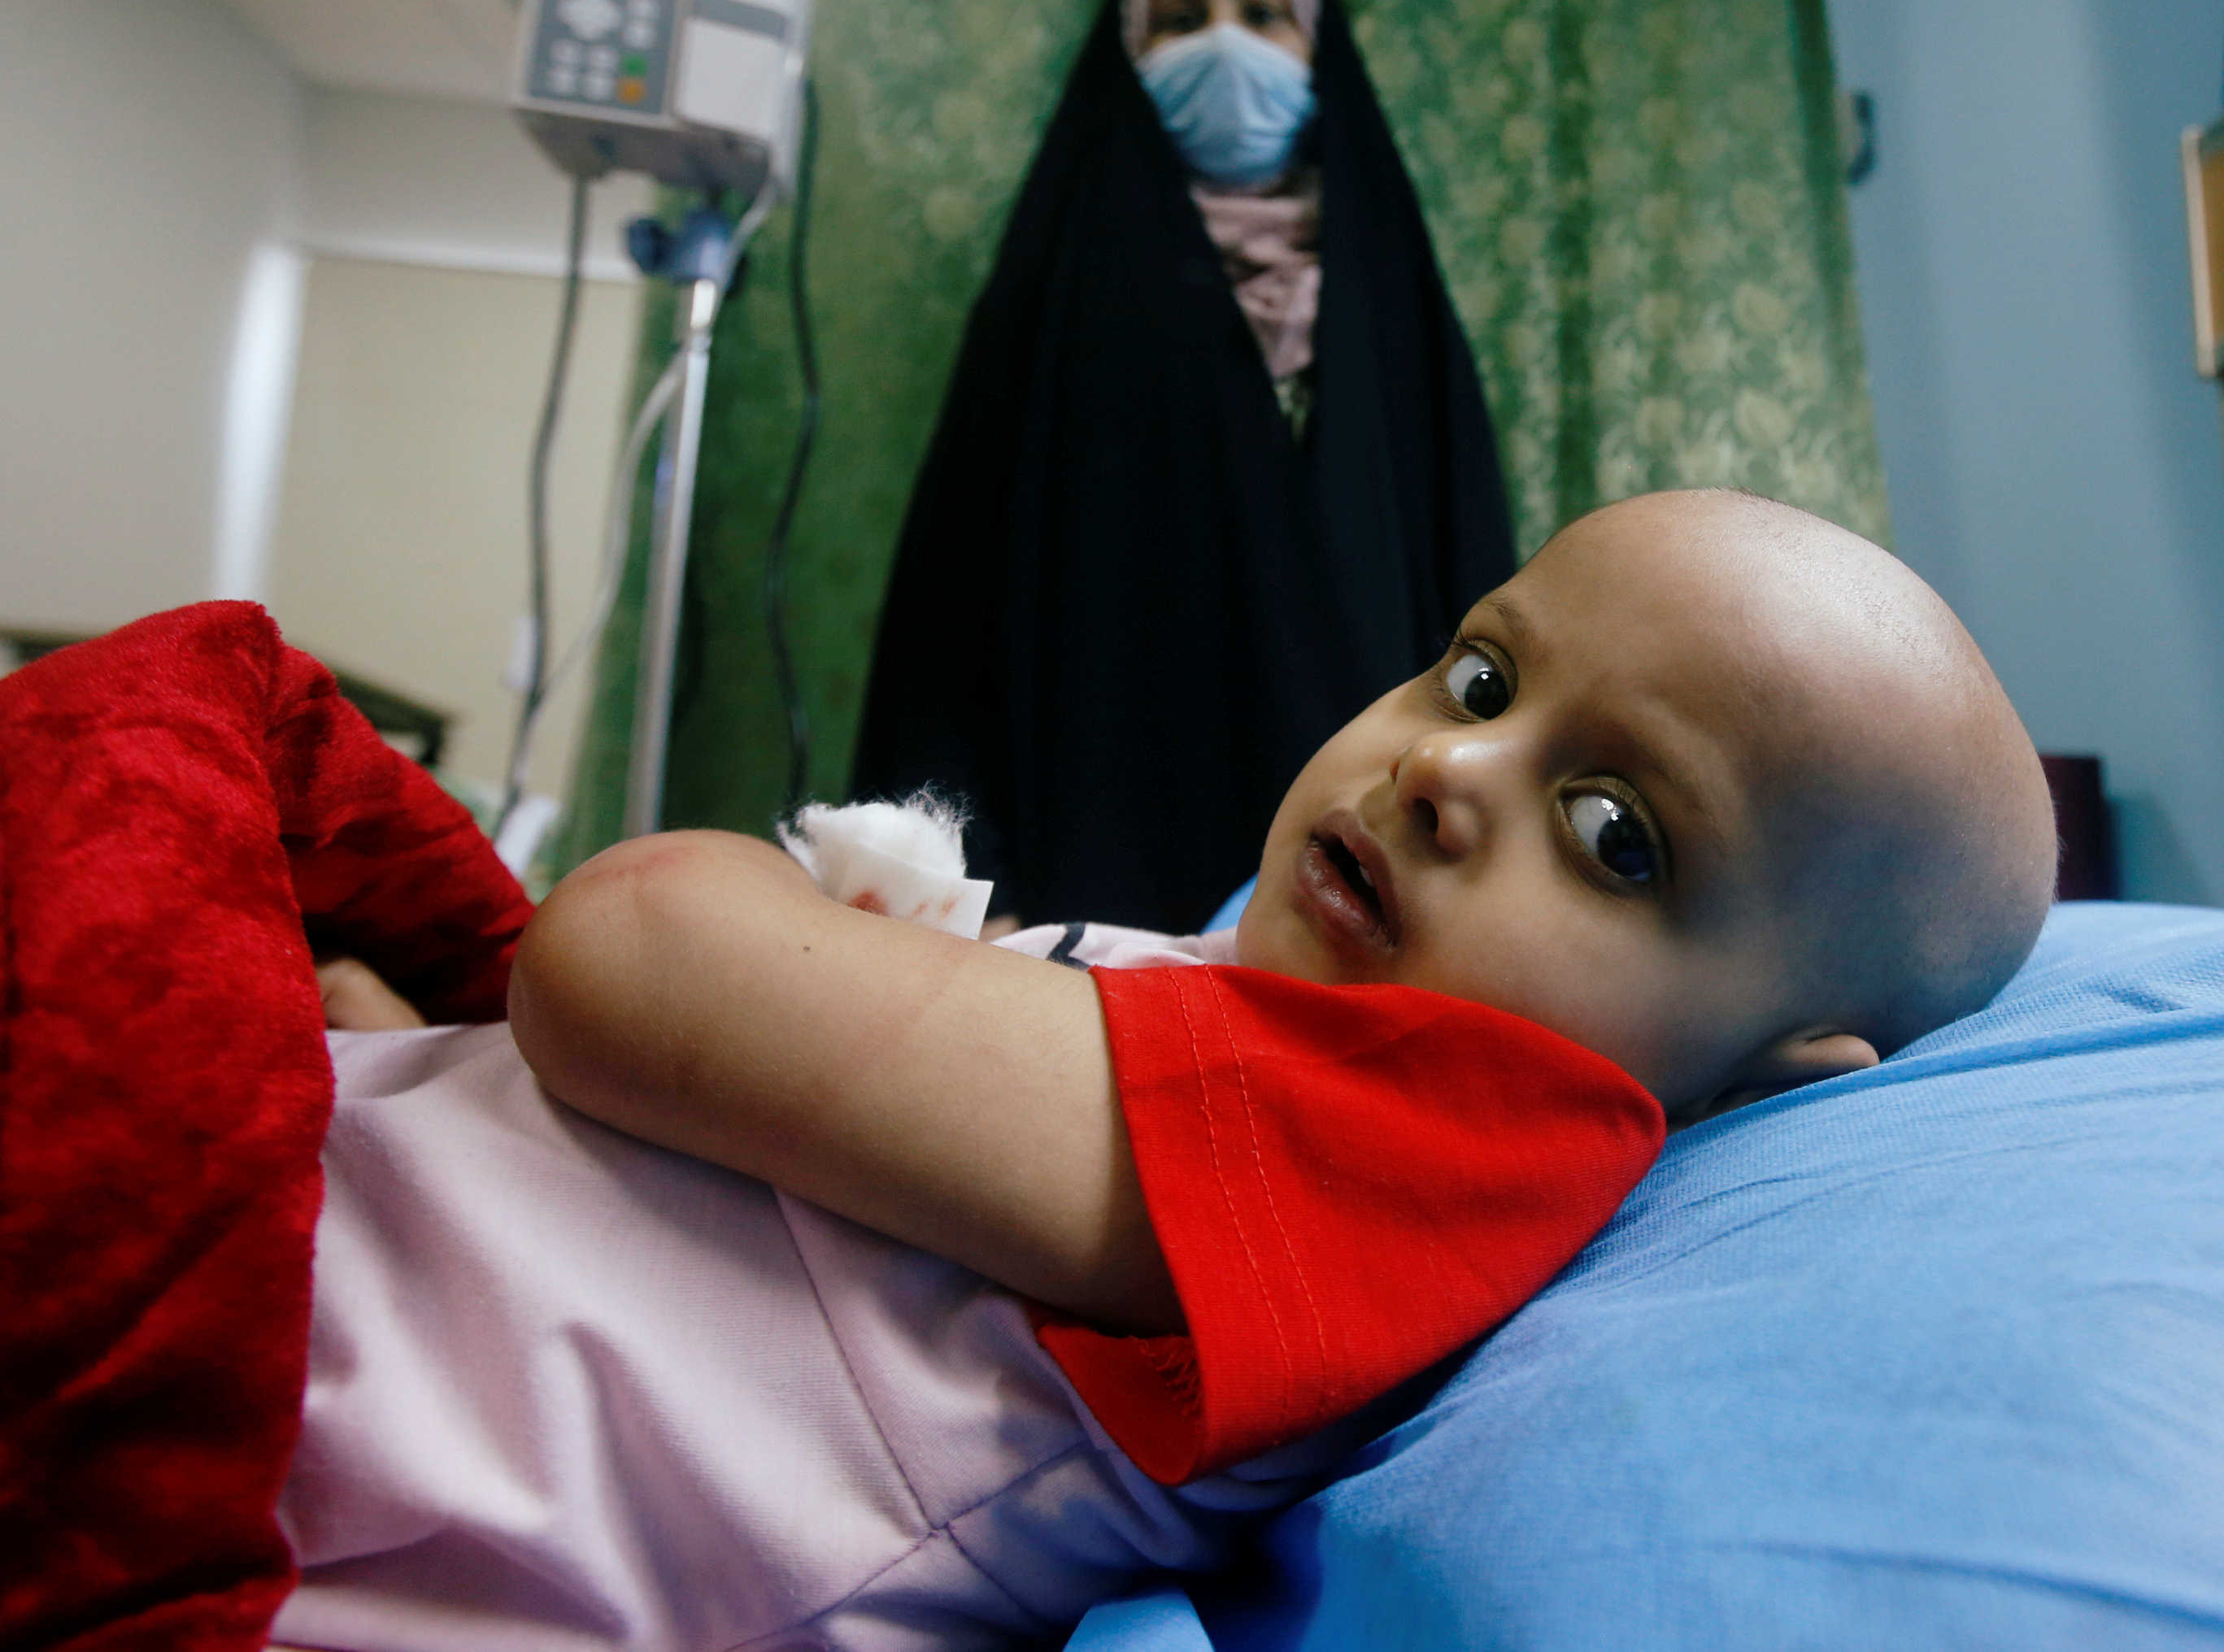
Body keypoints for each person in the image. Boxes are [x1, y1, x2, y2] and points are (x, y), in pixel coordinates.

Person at [272, 491, 2057, 1647]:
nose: (1452, 770)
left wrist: (710, 914)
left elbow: (630, 959)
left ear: (1761, 1080)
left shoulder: (1422, 1150)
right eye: (1482, 672)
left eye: (1614, 833)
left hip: (305, 1448)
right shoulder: (1225, 1017)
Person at [851, 0, 1519, 940]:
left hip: (1363, 862)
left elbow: (1468, 566)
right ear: (1130, 48)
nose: (1224, 44)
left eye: (1262, 12)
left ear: (1316, 40)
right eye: (1180, 15)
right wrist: (963, 877)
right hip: (1100, 830)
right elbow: (959, 608)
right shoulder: (1057, 285)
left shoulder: (1385, 282)